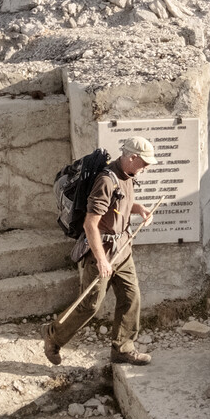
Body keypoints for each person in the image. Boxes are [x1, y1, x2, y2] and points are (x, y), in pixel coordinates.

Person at [41, 135, 157, 366]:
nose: (146, 167)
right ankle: (53, 336)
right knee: (90, 305)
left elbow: (118, 206)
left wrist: (139, 209)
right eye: (144, 163)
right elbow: (90, 223)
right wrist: (102, 260)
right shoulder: (106, 180)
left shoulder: (128, 176)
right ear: (132, 157)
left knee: (131, 297)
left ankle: (123, 349)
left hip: (122, 250)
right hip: (101, 253)